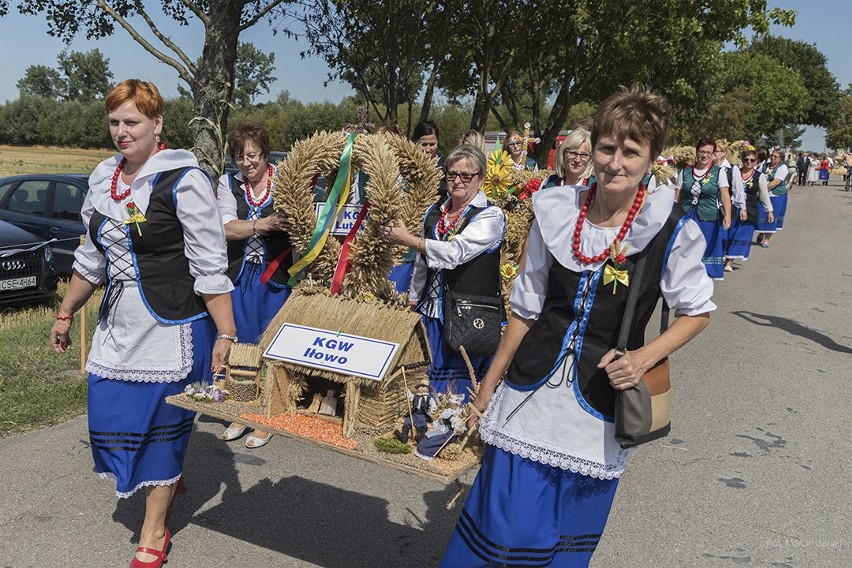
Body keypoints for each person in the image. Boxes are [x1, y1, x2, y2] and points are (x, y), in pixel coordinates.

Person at [440, 85, 714, 567]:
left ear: (651, 159)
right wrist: (485, 390)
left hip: (598, 411)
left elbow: (697, 310)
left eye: (631, 152)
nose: (615, 162)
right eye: (607, 148)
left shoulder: (670, 227)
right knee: (504, 523)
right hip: (528, 398)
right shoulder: (558, 210)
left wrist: (643, 358)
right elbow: (525, 309)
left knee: (565, 534)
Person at [49, 79, 236, 568]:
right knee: (107, 411)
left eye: (131, 121)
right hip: (118, 323)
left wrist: (227, 334)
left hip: (172, 325)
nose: (121, 131)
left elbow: (209, 266)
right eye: (114, 122)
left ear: (158, 124)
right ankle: (166, 476)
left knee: (160, 429)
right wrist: (66, 311)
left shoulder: (183, 178)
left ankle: (155, 530)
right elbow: (90, 258)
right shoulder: (102, 177)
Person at [380, 144, 506, 401]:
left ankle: (451, 436)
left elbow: (454, 253)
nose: (457, 180)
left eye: (466, 175)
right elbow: (422, 260)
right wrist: (414, 295)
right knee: (422, 381)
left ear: (481, 179)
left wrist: (408, 239)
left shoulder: (490, 216)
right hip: (431, 311)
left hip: (469, 314)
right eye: (452, 174)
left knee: (457, 392)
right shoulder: (435, 211)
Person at [216, 122, 292, 449]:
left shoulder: (287, 180)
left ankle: (268, 415)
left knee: (271, 344)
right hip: (242, 275)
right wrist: (263, 224)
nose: (246, 163)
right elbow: (225, 228)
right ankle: (244, 411)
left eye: (252, 155)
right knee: (243, 344)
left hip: (277, 276)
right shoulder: (226, 184)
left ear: (265, 152)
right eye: (239, 157)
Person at [674, 137, 732, 280]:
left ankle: (703, 277)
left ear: (713, 155)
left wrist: (728, 215)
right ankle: (684, 276)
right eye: (701, 151)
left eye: (708, 152)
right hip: (686, 215)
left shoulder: (719, 172)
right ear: (696, 152)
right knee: (685, 247)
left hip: (707, 217)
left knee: (705, 246)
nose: (704, 155)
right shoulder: (685, 172)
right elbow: (677, 197)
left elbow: (725, 196)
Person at [724, 149, 773, 269]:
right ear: (742, 160)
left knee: (741, 234)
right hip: (733, 207)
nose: (749, 162)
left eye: (752, 160)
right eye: (746, 160)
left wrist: (769, 211)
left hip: (750, 209)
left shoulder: (759, 176)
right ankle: (724, 256)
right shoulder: (734, 173)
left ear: (756, 162)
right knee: (730, 233)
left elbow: (764, 195)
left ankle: (730, 261)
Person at [756, 150, 789, 248]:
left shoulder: (782, 168)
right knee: (761, 214)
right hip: (763, 194)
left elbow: (776, 182)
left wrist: (762, 190)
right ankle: (762, 232)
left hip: (776, 195)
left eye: (776, 156)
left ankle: (767, 239)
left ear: (781, 159)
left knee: (772, 216)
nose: (773, 158)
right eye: (772, 156)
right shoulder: (765, 165)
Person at [412, 119, 446, 199]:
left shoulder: (445, 165)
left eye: (432, 144)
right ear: (415, 143)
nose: (428, 149)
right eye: (424, 144)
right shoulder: (406, 166)